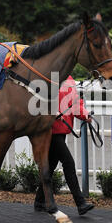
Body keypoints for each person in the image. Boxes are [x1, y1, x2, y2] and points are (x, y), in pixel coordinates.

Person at [34, 75, 95, 215]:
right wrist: (50, 112)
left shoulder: (69, 79)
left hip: (61, 130)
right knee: (68, 162)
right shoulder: (45, 75)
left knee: (51, 165)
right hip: (50, 130)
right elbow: (35, 99)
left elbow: (75, 104)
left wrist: (85, 114)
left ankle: (39, 201)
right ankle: (80, 203)